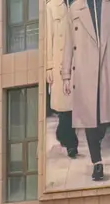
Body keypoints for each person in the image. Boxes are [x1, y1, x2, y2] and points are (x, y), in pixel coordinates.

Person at [61, 0, 110, 182]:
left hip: (108, 65)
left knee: (106, 114)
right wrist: (66, 75)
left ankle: (98, 139)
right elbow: (68, 43)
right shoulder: (75, 9)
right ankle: (97, 162)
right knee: (89, 117)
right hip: (85, 69)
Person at [45, 0, 77, 158]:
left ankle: (65, 136)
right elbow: (48, 38)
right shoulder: (51, 7)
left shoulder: (75, 4)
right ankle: (71, 143)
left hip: (76, 62)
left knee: (73, 107)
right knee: (65, 108)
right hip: (59, 64)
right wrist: (49, 66)